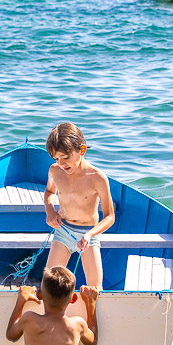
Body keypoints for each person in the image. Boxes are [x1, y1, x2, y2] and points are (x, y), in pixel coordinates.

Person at [44, 122, 115, 289]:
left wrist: (90, 235)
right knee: (49, 284)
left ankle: (91, 315)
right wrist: (50, 211)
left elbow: (109, 216)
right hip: (63, 231)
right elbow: (49, 192)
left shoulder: (97, 177)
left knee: (95, 288)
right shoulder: (55, 171)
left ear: (82, 150)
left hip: (88, 234)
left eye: (66, 157)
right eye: (56, 158)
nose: (61, 163)